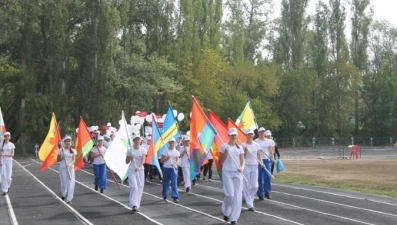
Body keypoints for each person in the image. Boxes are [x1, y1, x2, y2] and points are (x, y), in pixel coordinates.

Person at [219, 128, 245, 225]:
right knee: (230, 195)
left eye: (235, 135)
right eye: (232, 135)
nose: (233, 137)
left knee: (237, 197)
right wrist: (225, 153)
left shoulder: (240, 148)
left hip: (237, 173)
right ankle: (226, 210)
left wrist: (242, 168)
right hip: (227, 172)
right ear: (229, 136)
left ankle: (234, 218)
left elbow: (242, 161)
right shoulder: (224, 146)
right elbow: (220, 161)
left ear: (237, 136)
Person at [242, 129, 262, 211]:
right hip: (246, 166)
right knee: (247, 185)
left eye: (251, 134)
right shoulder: (243, 145)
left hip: (255, 166)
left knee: (255, 186)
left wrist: (262, 163)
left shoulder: (256, 145)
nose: (250, 136)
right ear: (246, 135)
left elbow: (259, 156)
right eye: (248, 134)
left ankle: (249, 198)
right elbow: (241, 158)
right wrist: (245, 151)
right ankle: (250, 205)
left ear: (253, 135)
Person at [125, 134, 146, 212]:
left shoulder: (143, 150)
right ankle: (133, 204)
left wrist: (139, 167)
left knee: (140, 187)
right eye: (136, 140)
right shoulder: (130, 150)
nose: (137, 141)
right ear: (133, 141)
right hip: (132, 170)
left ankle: (136, 205)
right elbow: (126, 162)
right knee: (134, 187)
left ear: (140, 141)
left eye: (138, 140)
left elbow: (143, 160)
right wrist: (130, 157)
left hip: (140, 170)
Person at [255, 128, 275, 200]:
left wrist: (272, 158)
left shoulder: (268, 141)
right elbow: (256, 151)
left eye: (263, 132)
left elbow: (271, 150)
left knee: (268, 176)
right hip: (259, 161)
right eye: (260, 132)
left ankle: (267, 192)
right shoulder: (256, 141)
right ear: (258, 133)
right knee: (259, 177)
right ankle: (260, 193)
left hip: (267, 160)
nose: (262, 133)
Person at [57, 136, 76, 203]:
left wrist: (69, 164)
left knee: (71, 183)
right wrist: (62, 157)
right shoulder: (61, 150)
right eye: (66, 141)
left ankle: (69, 199)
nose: (68, 142)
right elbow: (57, 160)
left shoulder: (73, 151)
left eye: (69, 141)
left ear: (71, 142)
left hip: (70, 168)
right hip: (62, 168)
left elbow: (74, 160)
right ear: (64, 142)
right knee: (64, 184)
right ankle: (63, 193)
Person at [160, 137, 180, 203]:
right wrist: (167, 158)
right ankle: (165, 194)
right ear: (169, 143)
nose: (172, 144)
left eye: (173, 142)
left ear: (174, 143)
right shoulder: (165, 151)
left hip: (174, 169)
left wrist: (175, 164)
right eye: (171, 142)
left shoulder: (176, 152)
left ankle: (175, 196)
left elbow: (177, 161)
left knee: (174, 182)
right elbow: (161, 160)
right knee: (165, 182)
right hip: (166, 168)